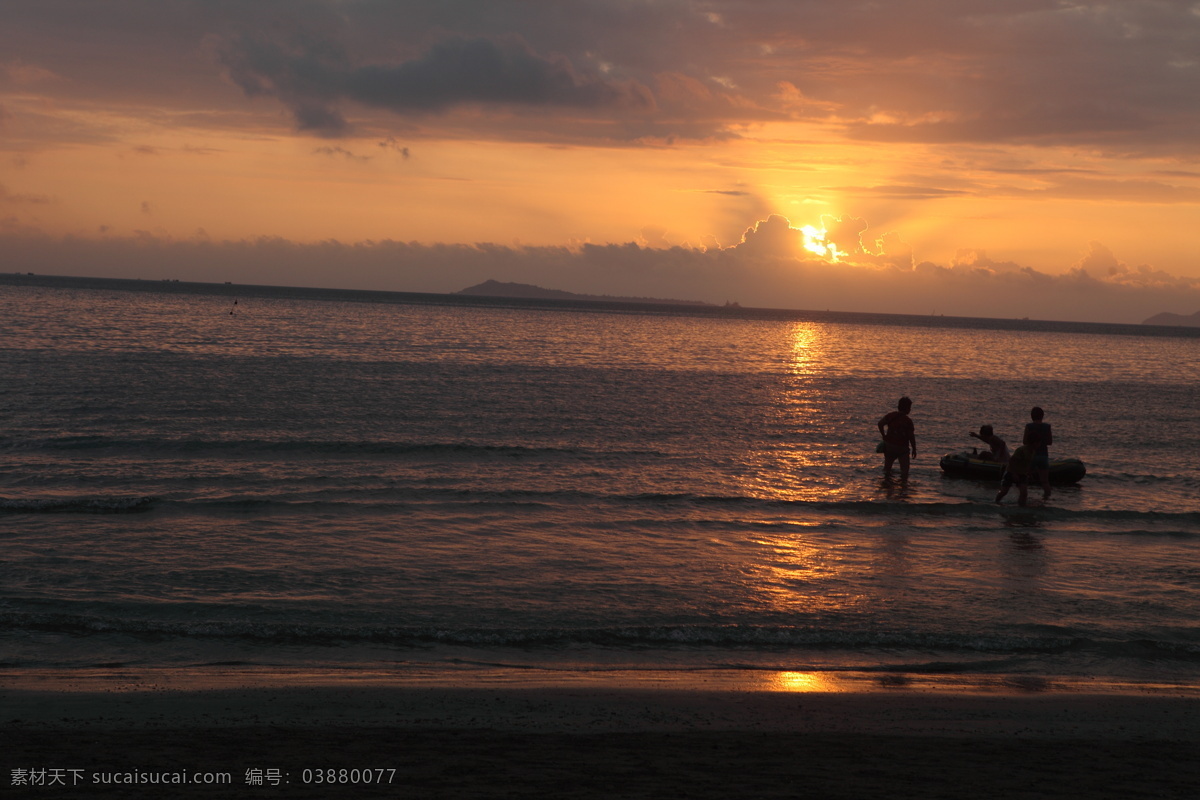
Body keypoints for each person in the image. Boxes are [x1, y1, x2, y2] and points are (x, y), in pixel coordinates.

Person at [878, 396, 916, 479]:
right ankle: (903, 489)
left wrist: (884, 436)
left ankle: (887, 486)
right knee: (904, 472)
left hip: (889, 446)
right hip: (902, 448)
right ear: (907, 408)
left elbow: (880, 424)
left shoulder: (891, 416)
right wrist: (914, 449)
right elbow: (911, 436)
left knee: (887, 469)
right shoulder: (907, 421)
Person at [1023, 406, 1053, 501]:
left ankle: (1023, 497)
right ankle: (1046, 499)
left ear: (1032, 416)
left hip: (1031, 455)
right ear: (1042, 416)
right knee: (1045, 482)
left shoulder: (1029, 426)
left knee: (1024, 479)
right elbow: (1049, 442)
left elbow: (1024, 442)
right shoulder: (1047, 427)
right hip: (1043, 455)